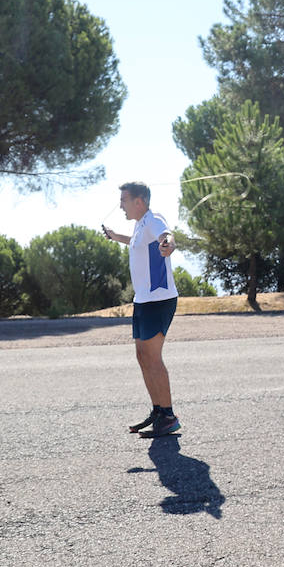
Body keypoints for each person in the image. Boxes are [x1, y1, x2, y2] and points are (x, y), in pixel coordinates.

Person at [101, 181, 180, 437]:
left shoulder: (154, 219)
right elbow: (136, 242)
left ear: (139, 201)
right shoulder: (139, 226)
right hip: (143, 300)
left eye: (123, 200)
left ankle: (168, 416)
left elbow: (166, 235)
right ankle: (158, 410)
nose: (120, 205)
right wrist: (115, 236)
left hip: (159, 299)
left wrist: (168, 244)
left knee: (153, 358)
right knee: (142, 356)